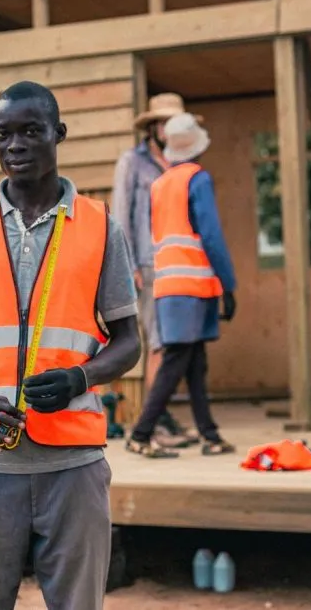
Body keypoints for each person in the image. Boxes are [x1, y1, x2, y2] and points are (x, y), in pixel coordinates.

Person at [0, 80, 141, 610]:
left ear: (58, 134)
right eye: (3, 135)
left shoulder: (98, 225)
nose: (15, 145)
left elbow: (130, 341)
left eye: (30, 131)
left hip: (73, 468)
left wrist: (80, 377)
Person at [125, 112, 237, 458]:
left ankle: (210, 434)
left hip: (168, 283)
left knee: (193, 360)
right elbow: (212, 236)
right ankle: (141, 433)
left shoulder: (161, 183)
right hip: (194, 284)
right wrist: (228, 284)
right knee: (176, 360)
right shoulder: (198, 180)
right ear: (199, 148)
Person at [111, 92, 201, 448]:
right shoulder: (132, 162)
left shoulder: (182, 163)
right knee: (160, 344)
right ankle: (153, 424)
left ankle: (160, 416)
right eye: (164, 122)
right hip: (147, 265)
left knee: (177, 344)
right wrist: (128, 264)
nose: (169, 128)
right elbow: (120, 215)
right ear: (153, 126)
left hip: (179, 267)